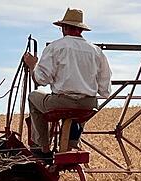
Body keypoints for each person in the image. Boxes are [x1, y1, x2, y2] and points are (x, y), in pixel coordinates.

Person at [22, 8, 112, 153]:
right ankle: (71, 144)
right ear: (80, 30)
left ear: (64, 27)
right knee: (79, 112)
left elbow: (42, 79)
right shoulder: (96, 51)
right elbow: (105, 90)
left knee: (33, 97)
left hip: (61, 102)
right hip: (88, 105)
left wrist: (33, 65)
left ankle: (41, 147)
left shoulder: (55, 47)